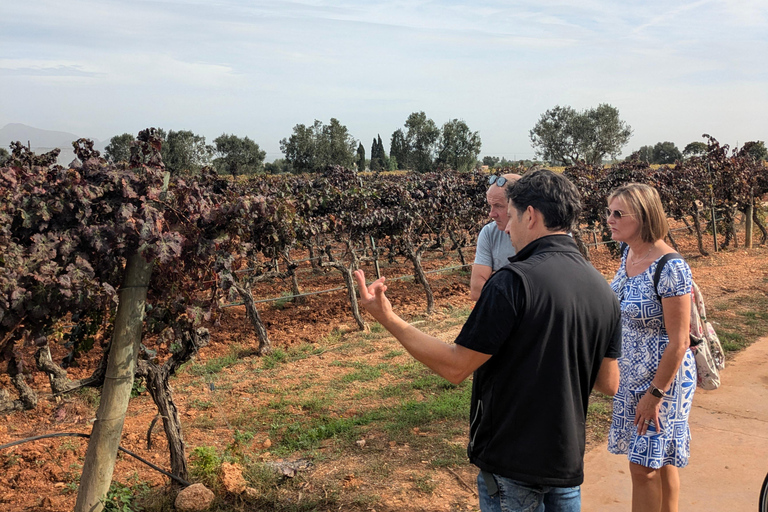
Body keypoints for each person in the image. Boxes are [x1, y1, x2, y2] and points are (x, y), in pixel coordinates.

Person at [354, 169, 622, 512]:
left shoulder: (513, 282)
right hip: (566, 462)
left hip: (512, 463)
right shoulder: (603, 289)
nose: (506, 227)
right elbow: (608, 382)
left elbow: (455, 366)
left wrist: (387, 318)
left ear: (530, 215)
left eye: (510, 216)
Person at [605, 183, 695, 512]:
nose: (609, 219)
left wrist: (654, 394)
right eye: (608, 212)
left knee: (642, 469)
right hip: (632, 377)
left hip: (663, 381)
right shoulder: (627, 253)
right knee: (661, 460)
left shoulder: (670, 267)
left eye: (618, 214)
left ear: (643, 217)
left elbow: (679, 341)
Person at [470, 173, 520, 301]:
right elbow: (476, 290)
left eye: (498, 206)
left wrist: (495, 280)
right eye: (490, 205)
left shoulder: (548, 234)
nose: (491, 214)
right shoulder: (489, 233)